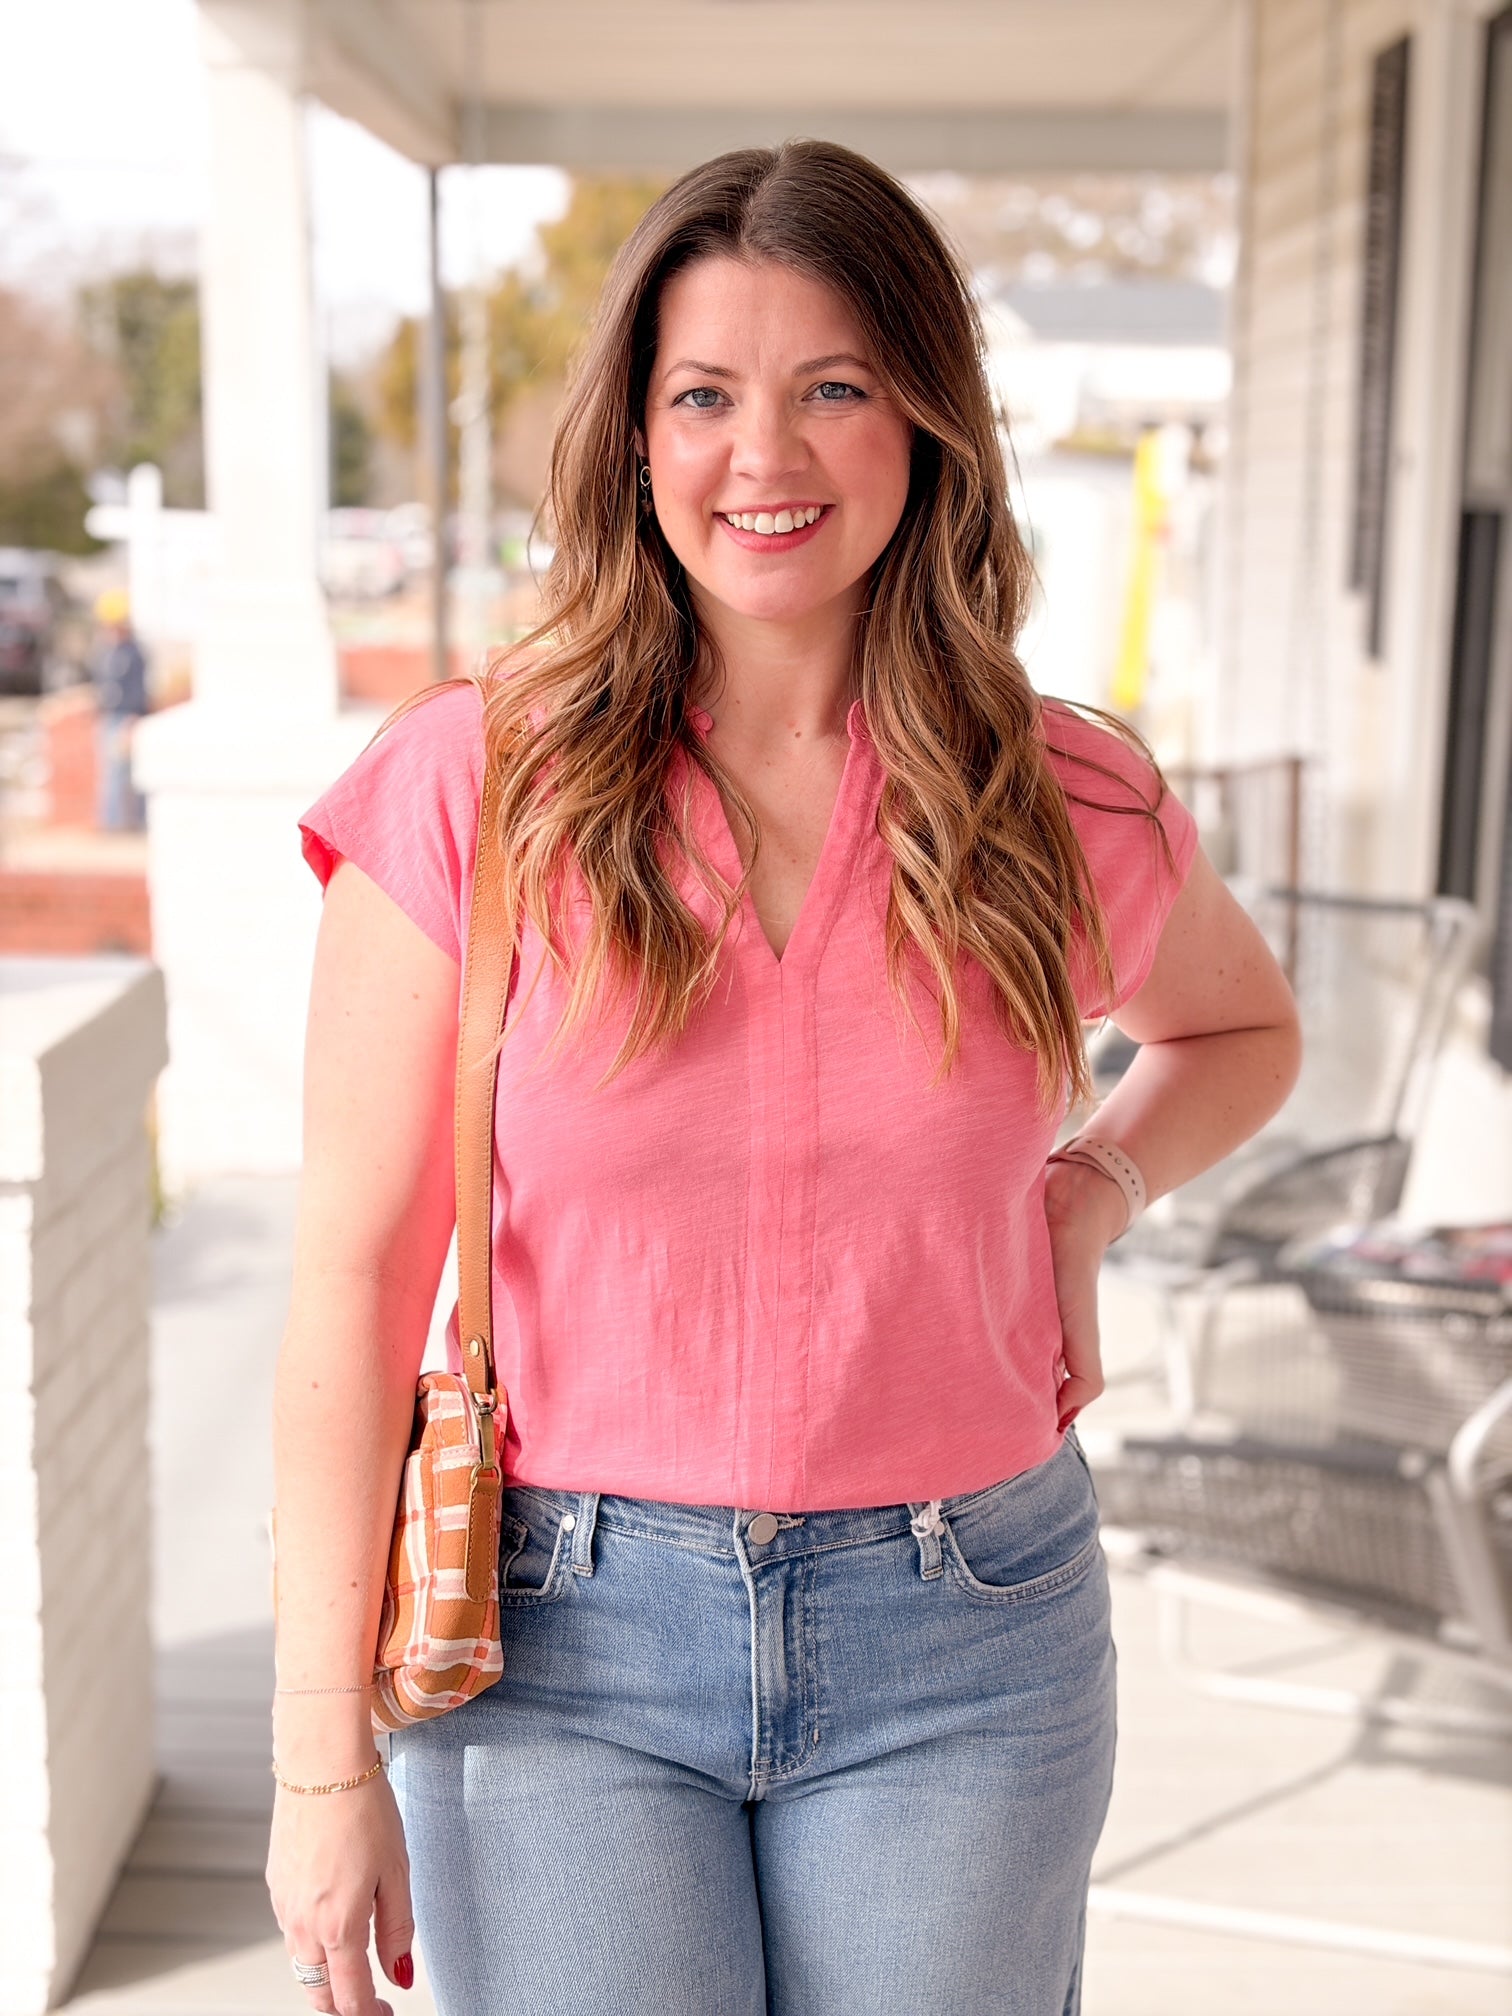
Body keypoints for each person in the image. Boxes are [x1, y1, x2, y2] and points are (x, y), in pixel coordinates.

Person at [266, 141, 1301, 2016]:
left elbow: (1239, 1029)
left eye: (832, 387)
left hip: (966, 1640)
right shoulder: (466, 785)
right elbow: (347, 1280)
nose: (768, 455)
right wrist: (317, 1766)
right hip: (554, 1644)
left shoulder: (1060, 799)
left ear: (924, 423)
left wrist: (1094, 1186)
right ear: (634, 439)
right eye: (704, 396)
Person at [89, 587, 149, 832]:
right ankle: (111, 822)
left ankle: (132, 822)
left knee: (128, 773)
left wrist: (133, 719)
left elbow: (138, 689)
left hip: (127, 717)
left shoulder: (132, 653)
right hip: (110, 716)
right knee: (112, 772)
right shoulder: (107, 651)